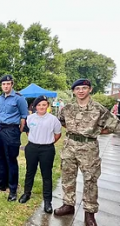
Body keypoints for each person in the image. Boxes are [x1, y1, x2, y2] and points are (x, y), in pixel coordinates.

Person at [55, 79, 118, 226]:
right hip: (69, 146)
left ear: (90, 89)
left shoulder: (99, 109)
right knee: (67, 177)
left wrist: (96, 131)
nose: (81, 91)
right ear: (74, 91)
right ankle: (68, 205)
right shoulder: (68, 108)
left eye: (84, 88)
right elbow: (62, 122)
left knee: (90, 181)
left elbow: (115, 126)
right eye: (78, 88)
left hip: (89, 148)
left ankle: (89, 213)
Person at [0, 75, 28, 202]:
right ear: (1, 86)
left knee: (11, 160)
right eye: (3, 84)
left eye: (8, 84)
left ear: (12, 84)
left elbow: (23, 117)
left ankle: (12, 189)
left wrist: (17, 131)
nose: (6, 86)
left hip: (12, 130)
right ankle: (0, 183)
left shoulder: (19, 99)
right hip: (0, 128)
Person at [18, 95, 62, 214]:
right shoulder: (30, 118)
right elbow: (27, 131)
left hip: (47, 149)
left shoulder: (53, 119)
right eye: (39, 105)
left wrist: (49, 142)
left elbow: (58, 134)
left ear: (47, 106)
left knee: (46, 175)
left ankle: (47, 201)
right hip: (32, 147)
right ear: (35, 106)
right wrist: (34, 140)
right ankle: (26, 193)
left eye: (44, 104)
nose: (41, 107)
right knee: (30, 172)